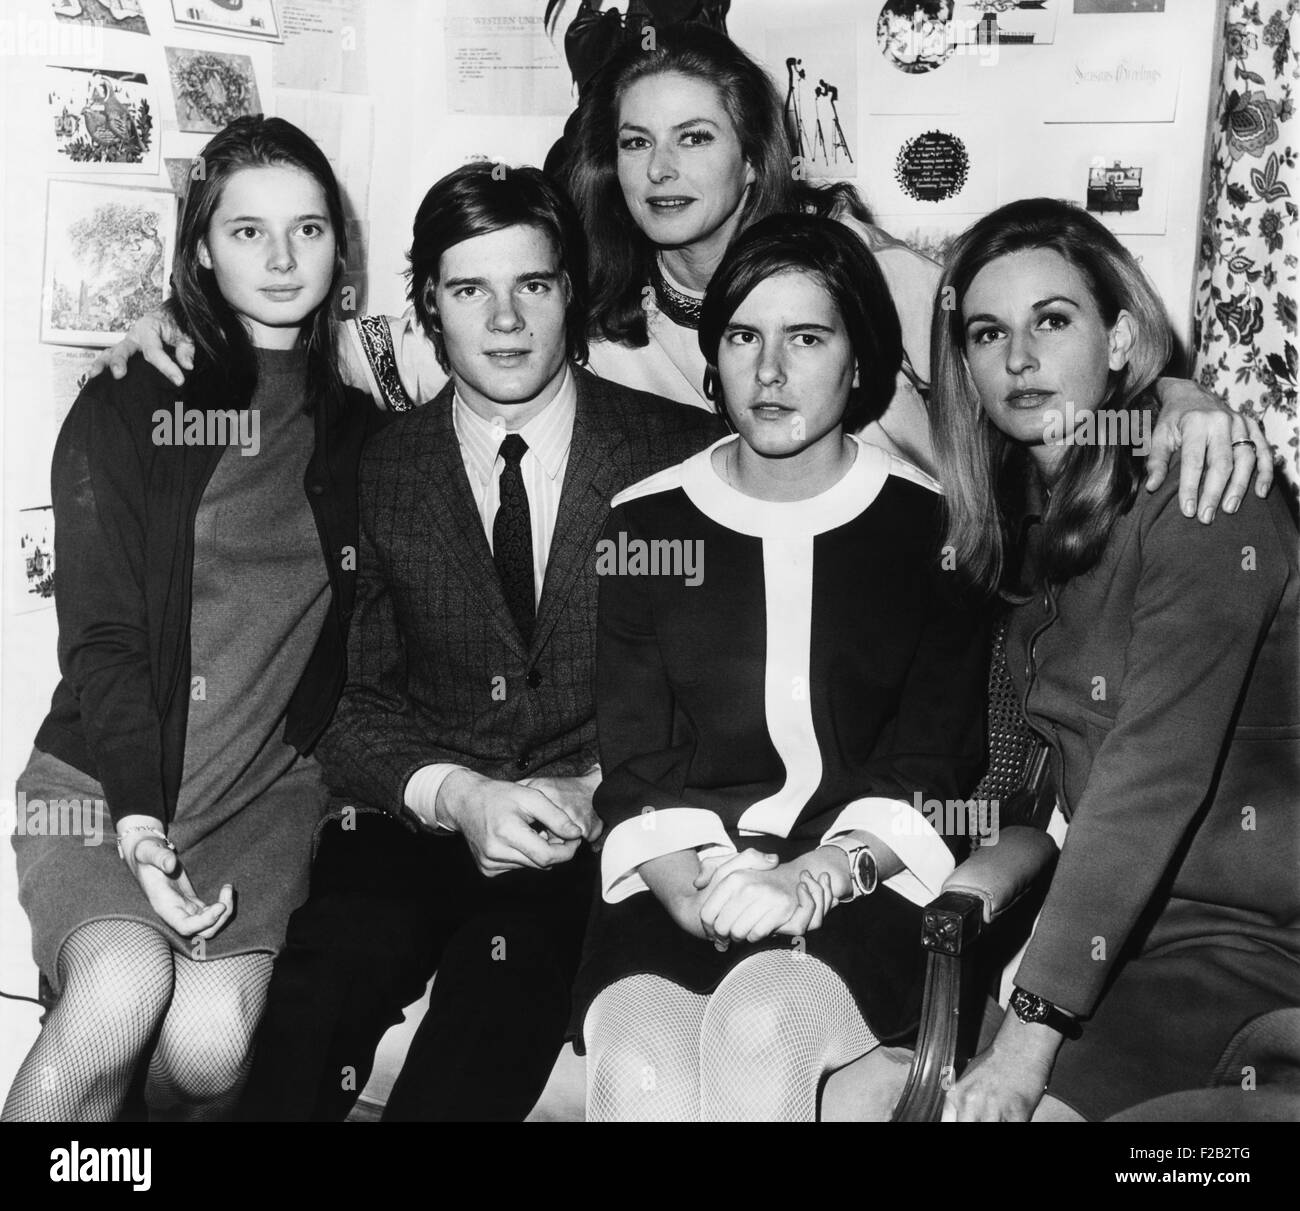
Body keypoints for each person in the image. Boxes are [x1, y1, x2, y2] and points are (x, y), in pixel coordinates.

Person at [86, 25, 1272, 524]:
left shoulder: (872, 274)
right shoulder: (585, 309)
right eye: (636, 141)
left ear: (752, 149)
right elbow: (338, 333)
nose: (661, 168)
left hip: (923, 622)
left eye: (694, 137)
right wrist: (164, 318)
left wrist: (1175, 394)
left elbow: (1043, 346)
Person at [236, 162, 723, 1123]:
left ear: (570, 296)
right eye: (470, 289)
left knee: (488, 1020)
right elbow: (344, 699)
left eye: (531, 286)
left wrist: (594, 789)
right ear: (428, 306)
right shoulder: (375, 467)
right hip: (412, 821)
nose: (504, 320)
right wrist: (455, 795)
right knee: (310, 1006)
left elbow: (720, 694)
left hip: (583, 831)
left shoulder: (681, 456)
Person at [574, 213, 989, 1122]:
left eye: (806, 337)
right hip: (682, 882)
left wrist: (815, 876)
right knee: (639, 1068)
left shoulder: (932, 533)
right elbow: (638, 764)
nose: (769, 372)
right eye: (742, 338)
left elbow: (937, 769)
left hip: (861, 887)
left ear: (857, 358)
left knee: (762, 1026)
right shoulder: (644, 527)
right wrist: (700, 898)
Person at [3, 116, 374, 1122]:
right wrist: (135, 826)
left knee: (209, 1048)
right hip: (97, 785)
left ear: (341, 246)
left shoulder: (367, 434)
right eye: (248, 230)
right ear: (202, 246)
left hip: (260, 799)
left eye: (308, 228)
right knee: (121, 990)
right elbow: (103, 640)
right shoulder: (130, 401)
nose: (284, 256)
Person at [929, 198, 1300, 1123]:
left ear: (1123, 337)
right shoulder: (1024, 509)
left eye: (1053, 321)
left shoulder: (1208, 496)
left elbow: (1150, 777)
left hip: (1244, 950)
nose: (1019, 359)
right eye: (988, 333)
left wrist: (1031, 1028)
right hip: (1114, 937)